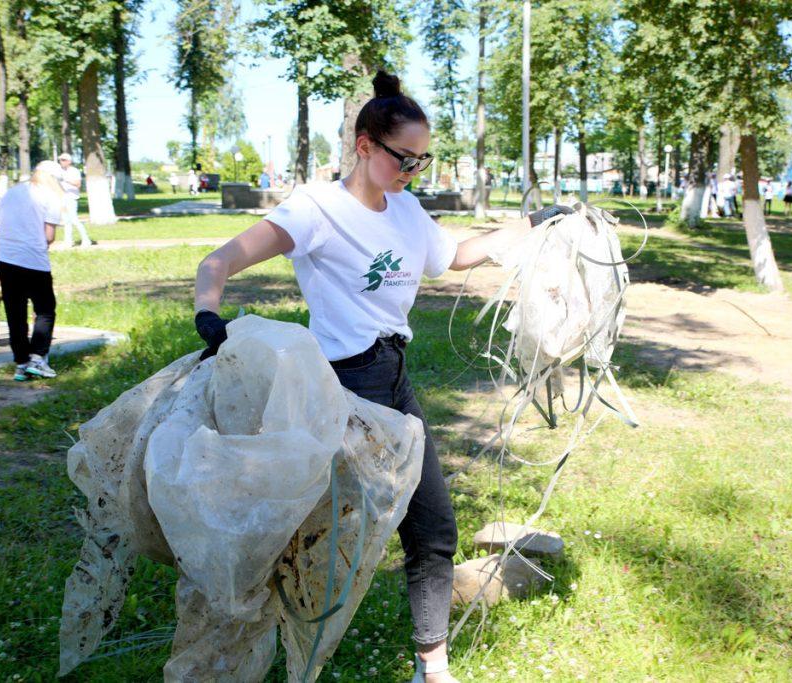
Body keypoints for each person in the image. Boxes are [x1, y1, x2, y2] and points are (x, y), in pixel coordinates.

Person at [193, 70, 569, 683]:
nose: (412, 171)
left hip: (394, 382)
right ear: (364, 145)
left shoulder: (407, 208)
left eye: (422, 161)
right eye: (403, 158)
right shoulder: (317, 210)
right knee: (308, 535)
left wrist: (534, 225)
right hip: (341, 385)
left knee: (433, 526)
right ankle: (244, 643)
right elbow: (222, 258)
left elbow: (454, 256)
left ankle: (432, 667)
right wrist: (208, 314)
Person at [0, 160, 63, 382]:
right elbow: (49, 236)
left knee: (15, 314)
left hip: (5, 260)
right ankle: (38, 358)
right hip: (33, 261)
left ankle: (21, 363)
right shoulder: (50, 196)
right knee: (44, 309)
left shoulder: (11, 193)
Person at [56, 153, 94, 248]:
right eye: (60, 160)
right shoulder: (59, 171)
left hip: (72, 198)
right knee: (66, 221)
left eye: (64, 160)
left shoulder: (74, 171)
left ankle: (86, 240)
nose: (61, 162)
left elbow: (78, 184)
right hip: (63, 198)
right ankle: (68, 242)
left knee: (74, 219)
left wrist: (65, 179)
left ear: (69, 161)